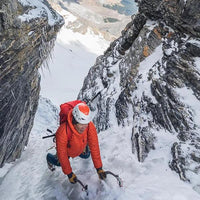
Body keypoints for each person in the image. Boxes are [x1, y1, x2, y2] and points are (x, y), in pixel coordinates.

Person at [46, 102, 106, 184]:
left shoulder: (89, 126)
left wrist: (99, 168)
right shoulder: (63, 131)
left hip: (80, 147)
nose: (84, 127)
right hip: (68, 151)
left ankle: (83, 149)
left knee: (86, 155)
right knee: (59, 163)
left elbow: (94, 146)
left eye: (86, 124)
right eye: (81, 124)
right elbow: (62, 154)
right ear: (74, 120)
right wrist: (69, 174)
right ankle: (49, 158)